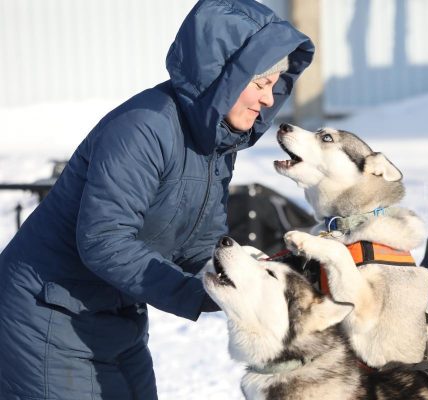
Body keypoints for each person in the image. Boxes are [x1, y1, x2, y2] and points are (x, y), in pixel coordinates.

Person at [0, 0, 314, 398]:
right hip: (46, 314)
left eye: (274, 86)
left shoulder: (214, 142)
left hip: (116, 316)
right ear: (224, 77)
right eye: (259, 84)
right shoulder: (143, 128)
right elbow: (104, 239)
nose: (269, 100)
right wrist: (196, 294)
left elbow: (200, 241)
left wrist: (250, 277)